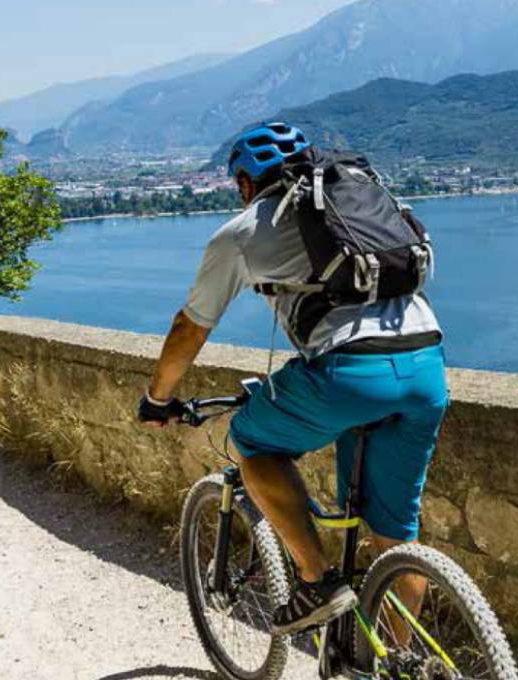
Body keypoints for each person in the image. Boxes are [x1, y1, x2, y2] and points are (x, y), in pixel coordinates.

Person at [136, 122, 447, 635]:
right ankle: (392, 661)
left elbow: (188, 327)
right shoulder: (353, 208)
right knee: (395, 538)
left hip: (349, 374)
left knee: (251, 440)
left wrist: (157, 398)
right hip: (426, 366)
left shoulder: (241, 232)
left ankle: (315, 580)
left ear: (244, 183)